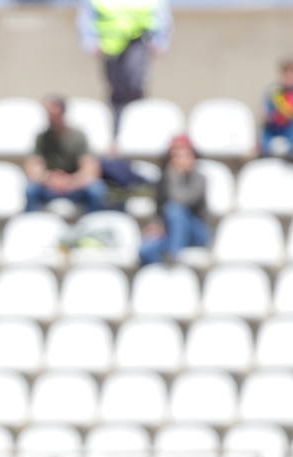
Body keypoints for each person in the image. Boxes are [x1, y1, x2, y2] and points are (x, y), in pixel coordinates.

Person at [77, 0, 172, 130]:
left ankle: (137, 126)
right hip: (110, 44)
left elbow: (159, 13)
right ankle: (116, 128)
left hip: (138, 40)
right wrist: (90, 41)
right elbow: (87, 16)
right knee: (117, 90)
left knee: (135, 85)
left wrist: (159, 40)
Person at [24, 95, 107, 213]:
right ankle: (31, 223)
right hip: (49, 186)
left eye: (54, 114)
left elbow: (90, 169)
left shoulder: (78, 136)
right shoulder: (42, 137)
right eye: (48, 114)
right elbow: (33, 167)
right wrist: (49, 179)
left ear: (63, 113)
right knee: (30, 190)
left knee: (96, 190)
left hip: (74, 186)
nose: (51, 118)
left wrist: (70, 181)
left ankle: (92, 225)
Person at [139, 135, 209, 265]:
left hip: (196, 231)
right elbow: (158, 208)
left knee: (174, 209)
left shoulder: (200, 179)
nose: (180, 160)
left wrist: (175, 175)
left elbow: (181, 200)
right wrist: (157, 225)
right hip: (171, 232)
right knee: (145, 251)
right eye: (176, 155)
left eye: (184, 155)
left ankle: (173, 254)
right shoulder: (164, 179)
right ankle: (166, 267)